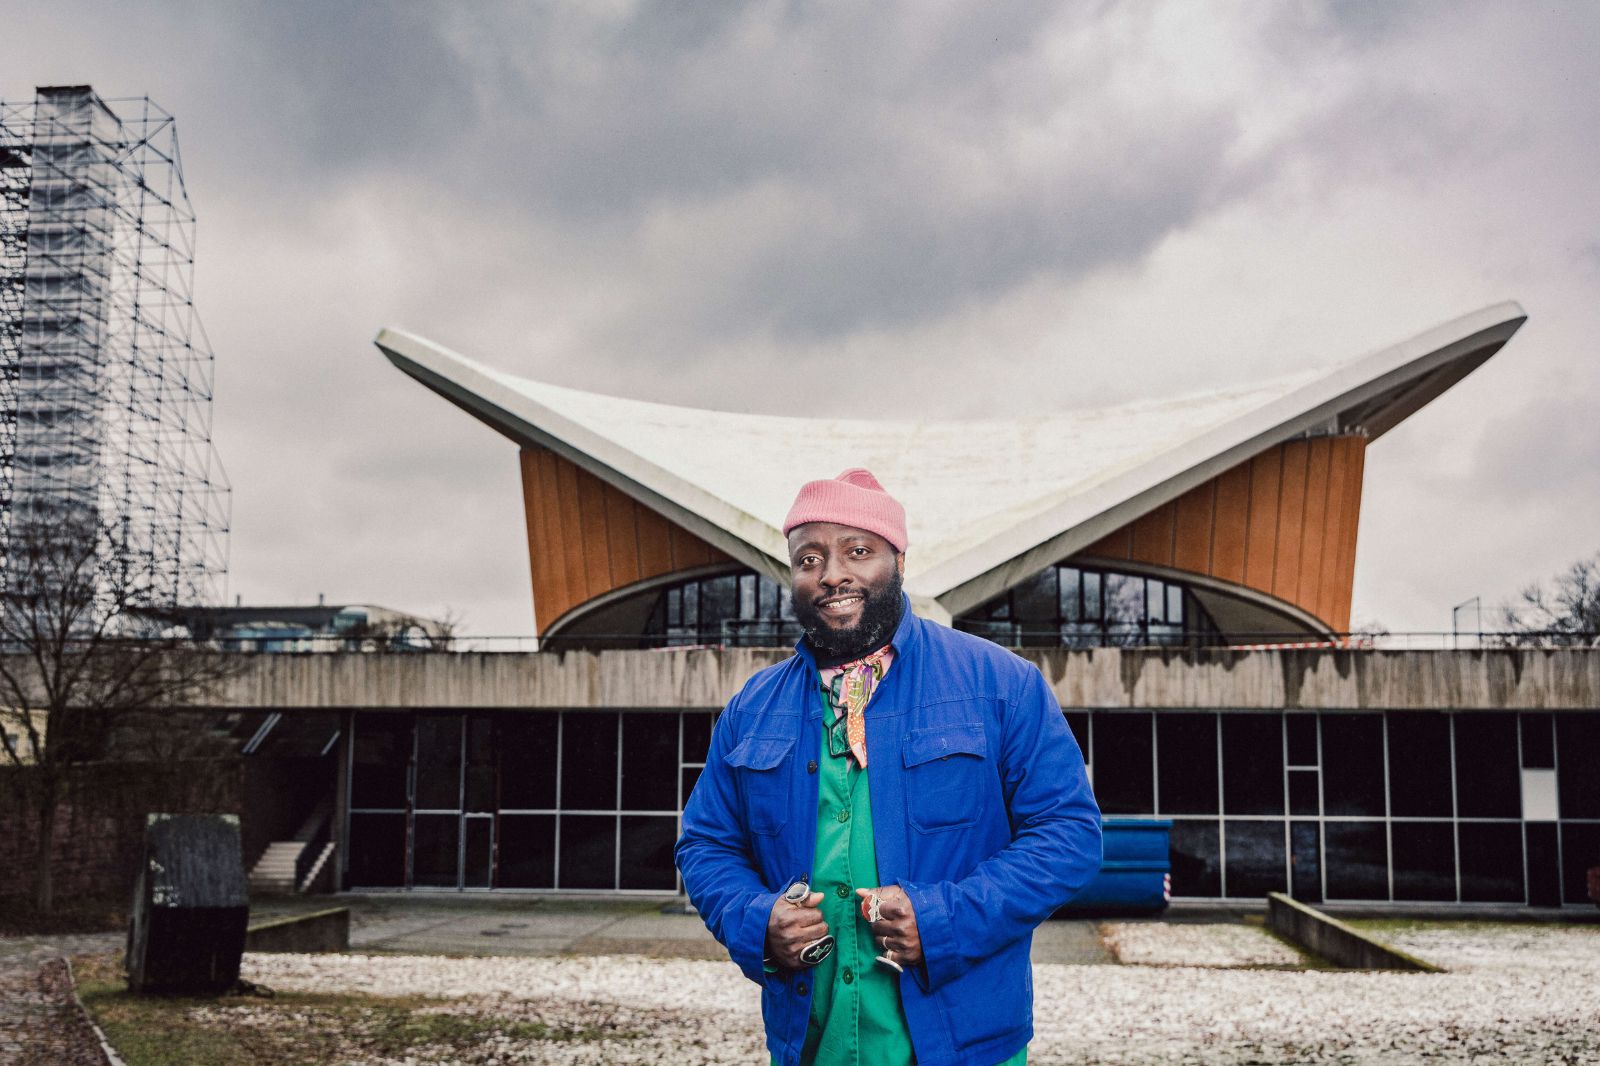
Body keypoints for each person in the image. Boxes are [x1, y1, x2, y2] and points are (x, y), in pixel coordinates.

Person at [675, 468, 1102, 1066]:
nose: (832, 575)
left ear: (898, 558)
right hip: (809, 1045)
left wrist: (942, 921)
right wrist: (755, 920)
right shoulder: (752, 707)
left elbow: (1069, 838)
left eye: (858, 551)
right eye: (809, 559)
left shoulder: (1001, 684)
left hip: (966, 1048)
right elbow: (705, 844)